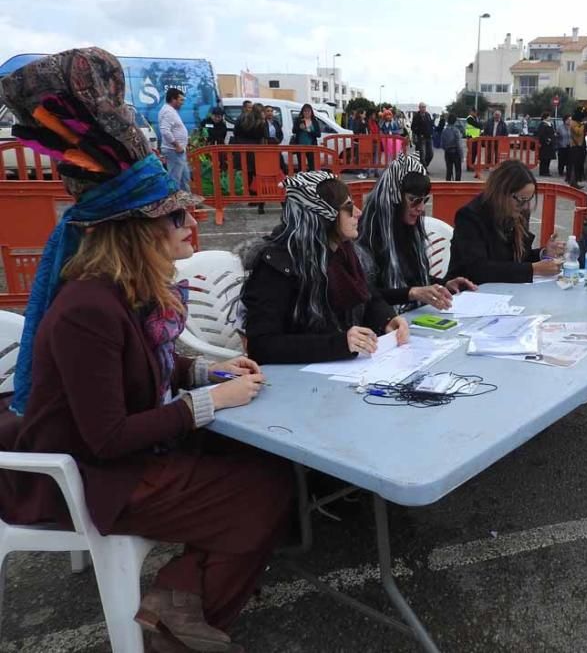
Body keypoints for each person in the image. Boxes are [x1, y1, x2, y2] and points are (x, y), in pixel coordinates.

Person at [0, 47, 293, 653]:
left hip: (123, 455)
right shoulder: (88, 309)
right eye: (174, 219)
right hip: (90, 475)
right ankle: (178, 627)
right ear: (139, 231)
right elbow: (105, 437)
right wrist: (208, 402)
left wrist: (209, 370)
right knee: (266, 491)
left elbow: (148, 369)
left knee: (270, 463)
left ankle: (174, 599)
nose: (189, 227)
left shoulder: (125, 292)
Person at [240, 171, 410, 363]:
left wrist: (387, 320)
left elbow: (367, 296)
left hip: (337, 368)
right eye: (348, 207)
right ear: (323, 216)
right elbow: (262, 345)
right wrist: (339, 344)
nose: (358, 213)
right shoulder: (278, 264)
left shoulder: (343, 252)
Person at [357, 153, 476, 312]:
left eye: (424, 200)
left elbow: (414, 281)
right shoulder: (367, 236)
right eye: (414, 200)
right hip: (383, 323)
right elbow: (366, 295)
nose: (420, 208)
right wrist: (412, 293)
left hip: (410, 316)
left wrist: (444, 284)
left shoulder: (407, 229)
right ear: (394, 197)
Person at [448, 159, 564, 284]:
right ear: (501, 193)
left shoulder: (518, 213)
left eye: (528, 199)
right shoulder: (470, 217)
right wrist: (533, 269)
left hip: (505, 290)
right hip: (468, 291)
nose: (525, 206)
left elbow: (519, 259)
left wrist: (544, 253)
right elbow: (478, 269)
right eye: (521, 199)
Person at [158, 88, 190, 191]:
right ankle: (175, 203)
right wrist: (177, 145)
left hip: (178, 151)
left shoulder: (170, 111)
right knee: (175, 179)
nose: (182, 103)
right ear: (173, 99)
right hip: (174, 151)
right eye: (181, 100)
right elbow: (165, 131)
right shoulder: (168, 112)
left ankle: (187, 202)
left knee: (184, 178)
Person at [291, 103, 322, 171]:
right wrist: (299, 128)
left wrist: (309, 131)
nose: (307, 113)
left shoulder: (314, 121)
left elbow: (318, 134)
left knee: (312, 165)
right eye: (305, 111)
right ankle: (301, 179)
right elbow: (294, 130)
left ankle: (311, 178)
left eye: (308, 111)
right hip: (300, 146)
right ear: (302, 112)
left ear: (311, 112)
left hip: (311, 146)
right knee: (301, 165)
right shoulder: (299, 120)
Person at [410, 102, 435, 169]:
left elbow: (430, 124)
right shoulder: (416, 116)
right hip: (421, 138)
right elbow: (413, 127)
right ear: (419, 108)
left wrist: (432, 129)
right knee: (422, 155)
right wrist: (419, 132)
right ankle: (423, 169)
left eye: (424, 107)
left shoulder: (427, 115)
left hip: (429, 137)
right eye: (422, 107)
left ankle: (424, 166)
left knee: (430, 154)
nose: (424, 108)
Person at [568, 108, 587, 188]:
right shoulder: (573, 123)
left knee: (578, 164)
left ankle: (576, 180)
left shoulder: (577, 122)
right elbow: (578, 132)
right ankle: (573, 181)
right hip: (575, 146)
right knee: (574, 164)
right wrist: (583, 124)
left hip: (580, 145)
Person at [441, 114, 463, 180]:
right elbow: (459, 144)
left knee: (449, 171)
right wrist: (461, 155)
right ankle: (457, 185)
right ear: (455, 121)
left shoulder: (444, 131)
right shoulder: (456, 131)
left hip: (447, 152)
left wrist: (446, 148)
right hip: (455, 152)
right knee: (458, 170)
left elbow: (442, 144)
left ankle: (447, 185)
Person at [535, 111, 556, 177]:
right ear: (545, 117)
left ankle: (547, 171)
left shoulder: (550, 124)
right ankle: (543, 171)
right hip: (544, 145)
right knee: (544, 158)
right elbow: (541, 134)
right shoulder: (542, 124)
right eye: (549, 116)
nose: (550, 117)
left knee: (548, 158)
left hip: (550, 144)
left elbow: (552, 132)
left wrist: (553, 137)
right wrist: (547, 139)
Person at [556, 114, 571, 180]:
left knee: (569, 160)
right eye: (568, 120)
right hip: (562, 146)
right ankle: (560, 171)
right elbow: (557, 136)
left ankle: (568, 172)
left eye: (570, 119)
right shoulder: (560, 127)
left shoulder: (571, 127)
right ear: (565, 120)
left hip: (570, 146)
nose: (570, 121)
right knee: (561, 160)